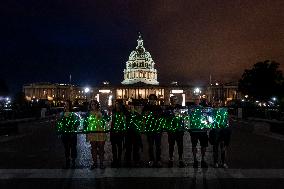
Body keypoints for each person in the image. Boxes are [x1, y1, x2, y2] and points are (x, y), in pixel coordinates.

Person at [56, 100, 79, 169]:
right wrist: (59, 130)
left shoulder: (73, 114)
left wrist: (74, 127)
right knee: (66, 148)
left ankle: (73, 162)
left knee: (73, 148)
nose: (65, 106)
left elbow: (78, 123)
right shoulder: (62, 114)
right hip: (65, 134)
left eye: (67, 105)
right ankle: (67, 162)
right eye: (65, 105)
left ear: (70, 106)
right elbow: (59, 123)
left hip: (72, 134)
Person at [142, 94, 163, 167]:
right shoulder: (146, 107)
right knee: (150, 146)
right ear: (149, 100)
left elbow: (161, 117)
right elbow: (143, 117)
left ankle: (158, 159)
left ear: (156, 100)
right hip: (149, 129)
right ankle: (151, 159)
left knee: (158, 146)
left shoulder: (158, 107)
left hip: (157, 129)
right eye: (151, 99)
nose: (152, 100)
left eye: (153, 99)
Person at [209, 102, 232, 168]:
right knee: (216, 148)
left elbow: (227, 120)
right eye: (217, 104)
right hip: (217, 131)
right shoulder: (213, 111)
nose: (218, 105)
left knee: (222, 148)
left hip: (222, 131)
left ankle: (222, 162)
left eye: (218, 104)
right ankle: (217, 162)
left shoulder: (222, 111)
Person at [85, 100, 106, 169]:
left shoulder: (101, 112)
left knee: (101, 148)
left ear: (97, 105)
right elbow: (85, 122)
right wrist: (85, 129)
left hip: (100, 132)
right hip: (92, 132)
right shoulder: (88, 113)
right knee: (93, 148)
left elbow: (107, 119)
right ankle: (95, 163)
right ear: (90, 105)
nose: (93, 105)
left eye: (94, 104)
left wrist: (104, 116)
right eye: (92, 104)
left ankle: (101, 163)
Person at [166, 95, 185, 168]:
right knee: (171, 145)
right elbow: (166, 118)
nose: (173, 101)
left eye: (175, 99)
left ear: (177, 100)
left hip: (179, 130)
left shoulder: (180, 107)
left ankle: (180, 159)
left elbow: (184, 117)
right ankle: (171, 159)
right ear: (170, 101)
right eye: (172, 100)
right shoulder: (168, 108)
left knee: (180, 145)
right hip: (171, 130)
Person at [189, 98, 209, 168]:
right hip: (194, 131)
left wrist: (208, 125)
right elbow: (187, 118)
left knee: (203, 146)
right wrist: (188, 128)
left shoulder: (203, 109)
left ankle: (203, 159)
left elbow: (207, 118)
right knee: (194, 145)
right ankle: (195, 160)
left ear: (199, 101)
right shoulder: (190, 109)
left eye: (198, 99)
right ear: (193, 100)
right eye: (195, 99)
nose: (196, 100)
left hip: (202, 131)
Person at [110, 99, 126, 168]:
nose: (118, 105)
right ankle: (115, 159)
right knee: (114, 146)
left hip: (120, 132)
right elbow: (111, 121)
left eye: (119, 103)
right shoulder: (113, 111)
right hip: (113, 131)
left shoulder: (124, 111)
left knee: (119, 146)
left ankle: (119, 159)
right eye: (116, 103)